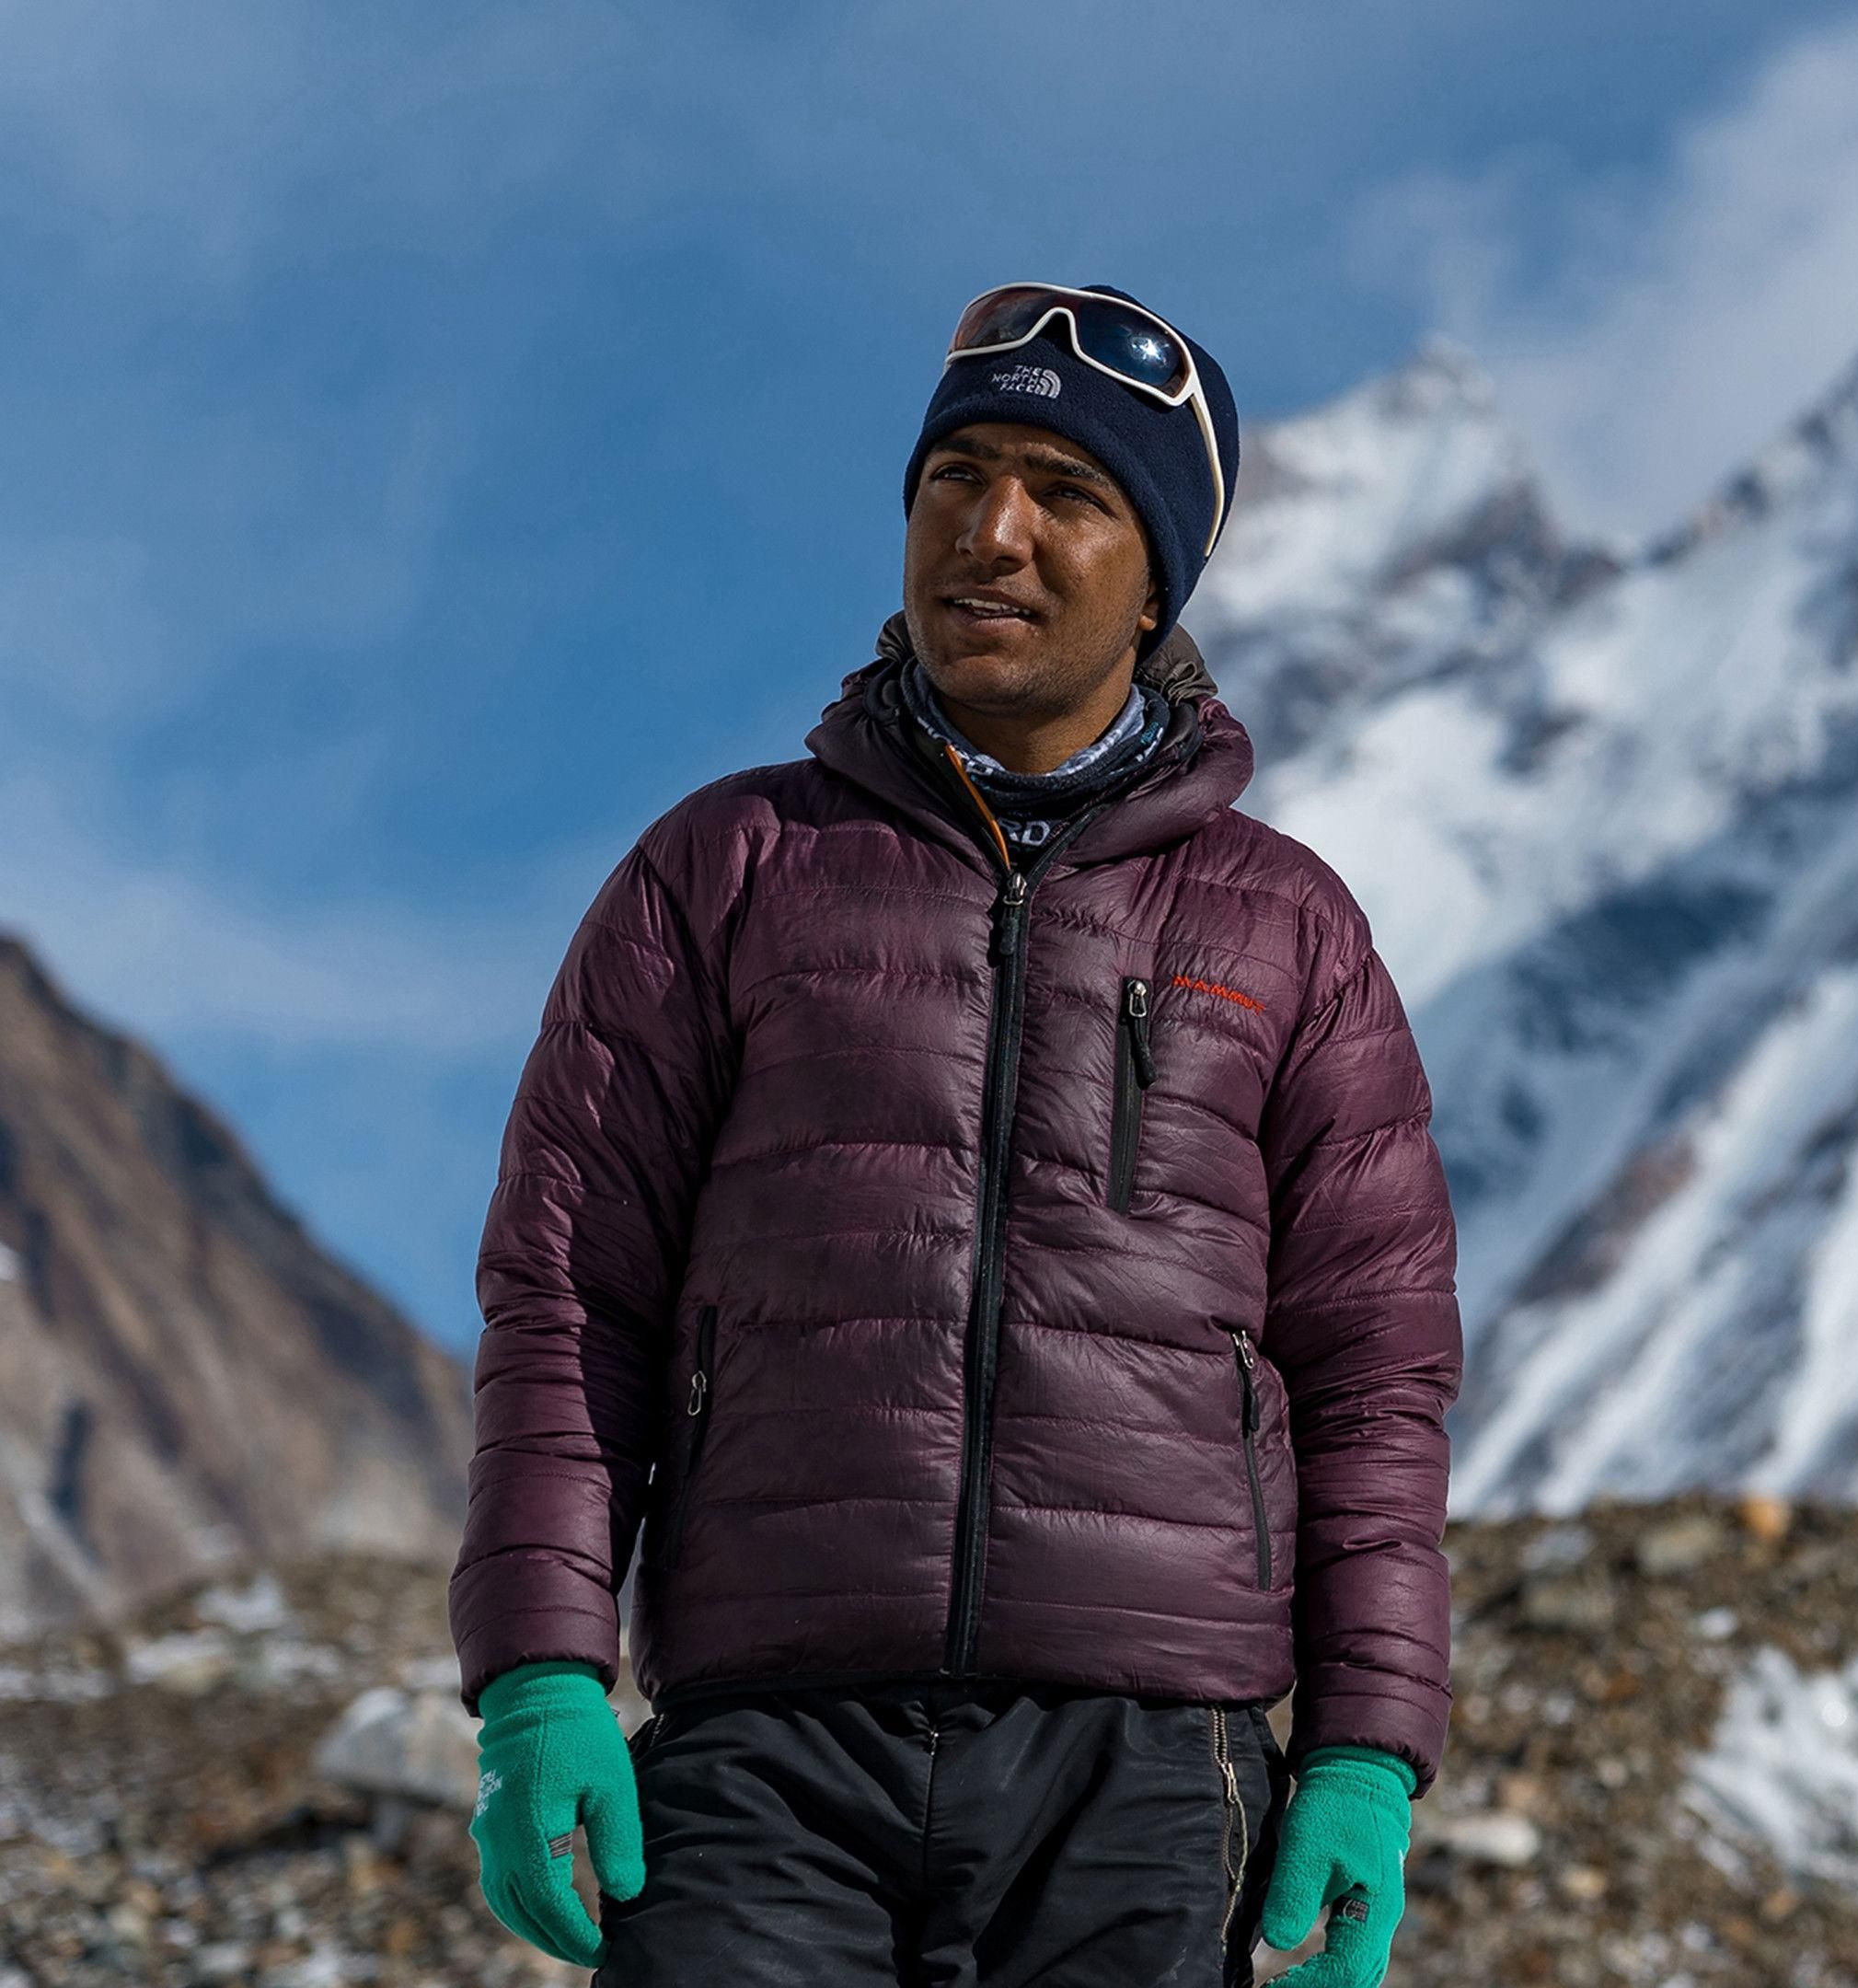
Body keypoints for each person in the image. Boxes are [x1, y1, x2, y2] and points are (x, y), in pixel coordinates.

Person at [448, 283, 1460, 1988]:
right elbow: (570, 1302)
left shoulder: (1291, 931)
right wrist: (541, 1677)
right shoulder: (725, 871)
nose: (993, 532)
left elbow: (1372, 1375)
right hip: (766, 1750)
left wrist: (1366, 1753)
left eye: (1069, 493)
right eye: (956, 478)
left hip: (1150, 1768)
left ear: (1160, 578)